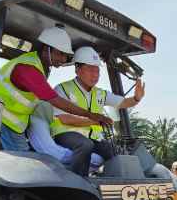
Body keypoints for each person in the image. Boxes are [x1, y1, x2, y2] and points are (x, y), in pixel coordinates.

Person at [0, 25, 112, 152]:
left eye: (65, 55)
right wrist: (92, 115)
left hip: (16, 124)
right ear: (46, 49)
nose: (63, 59)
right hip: (1, 121)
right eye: (60, 54)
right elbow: (54, 99)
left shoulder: (41, 67)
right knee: (24, 163)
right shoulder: (27, 68)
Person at [50, 46, 146, 176]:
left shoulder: (100, 93)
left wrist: (136, 98)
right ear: (77, 69)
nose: (95, 75)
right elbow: (64, 118)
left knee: (112, 149)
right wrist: (95, 121)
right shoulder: (62, 89)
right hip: (65, 134)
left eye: (97, 71)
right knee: (85, 145)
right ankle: (77, 181)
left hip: (91, 138)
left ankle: (115, 183)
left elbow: (123, 102)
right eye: (90, 69)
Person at [27, 103, 104, 171]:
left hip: (83, 138)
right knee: (91, 153)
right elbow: (50, 151)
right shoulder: (43, 108)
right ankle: (76, 178)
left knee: (104, 151)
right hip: (62, 136)